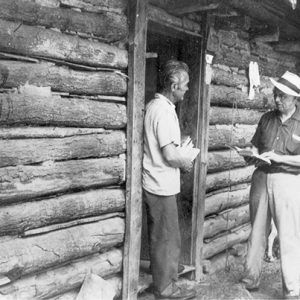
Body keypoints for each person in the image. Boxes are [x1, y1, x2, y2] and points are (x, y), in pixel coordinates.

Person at [241, 71, 300, 299]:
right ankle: (249, 279)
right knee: (257, 231)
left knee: (289, 235)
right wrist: (252, 155)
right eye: (276, 94)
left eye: (282, 96)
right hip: (261, 178)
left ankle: (292, 289)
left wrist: (281, 158)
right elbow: (256, 146)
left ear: (295, 98)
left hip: (288, 181)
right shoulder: (266, 118)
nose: (277, 99)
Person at [142, 59, 197, 300]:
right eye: (184, 85)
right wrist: (186, 159)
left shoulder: (161, 107)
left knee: (169, 234)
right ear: (173, 85)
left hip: (162, 182)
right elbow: (170, 154)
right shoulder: (162, 110)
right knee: (164, 236)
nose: (187, 89)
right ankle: (164, 288)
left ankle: (168, 274)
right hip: (159, 183)